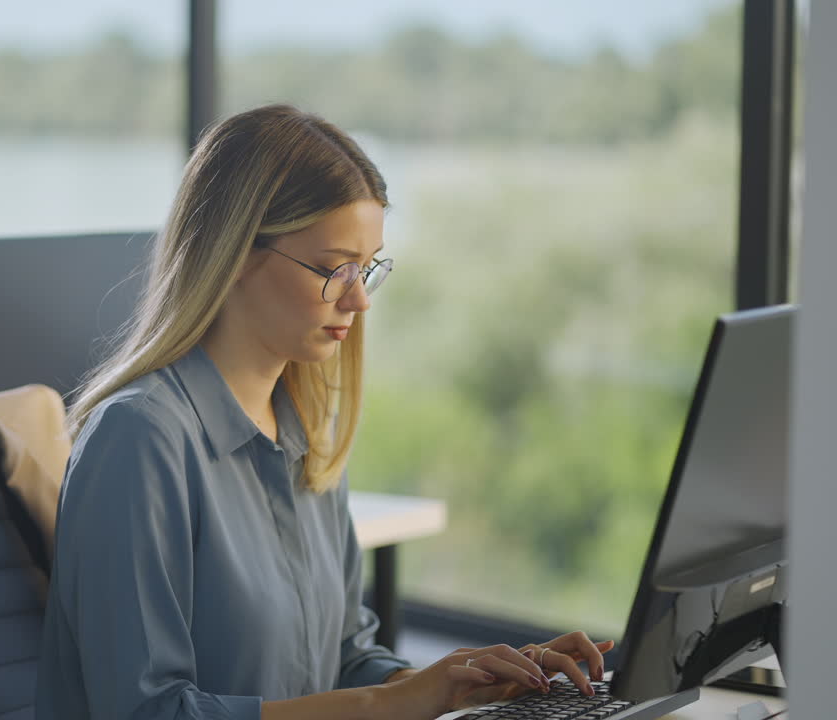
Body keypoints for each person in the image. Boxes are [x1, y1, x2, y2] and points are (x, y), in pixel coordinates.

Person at [35, 104, 613, 720]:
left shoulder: (305, 432)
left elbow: (347, 661)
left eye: (366, 268)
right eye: (333, 268)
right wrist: (387, 702)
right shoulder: (139, 439)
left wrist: (466, 683)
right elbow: (146, 713)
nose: (359, 298)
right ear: (234, 252)